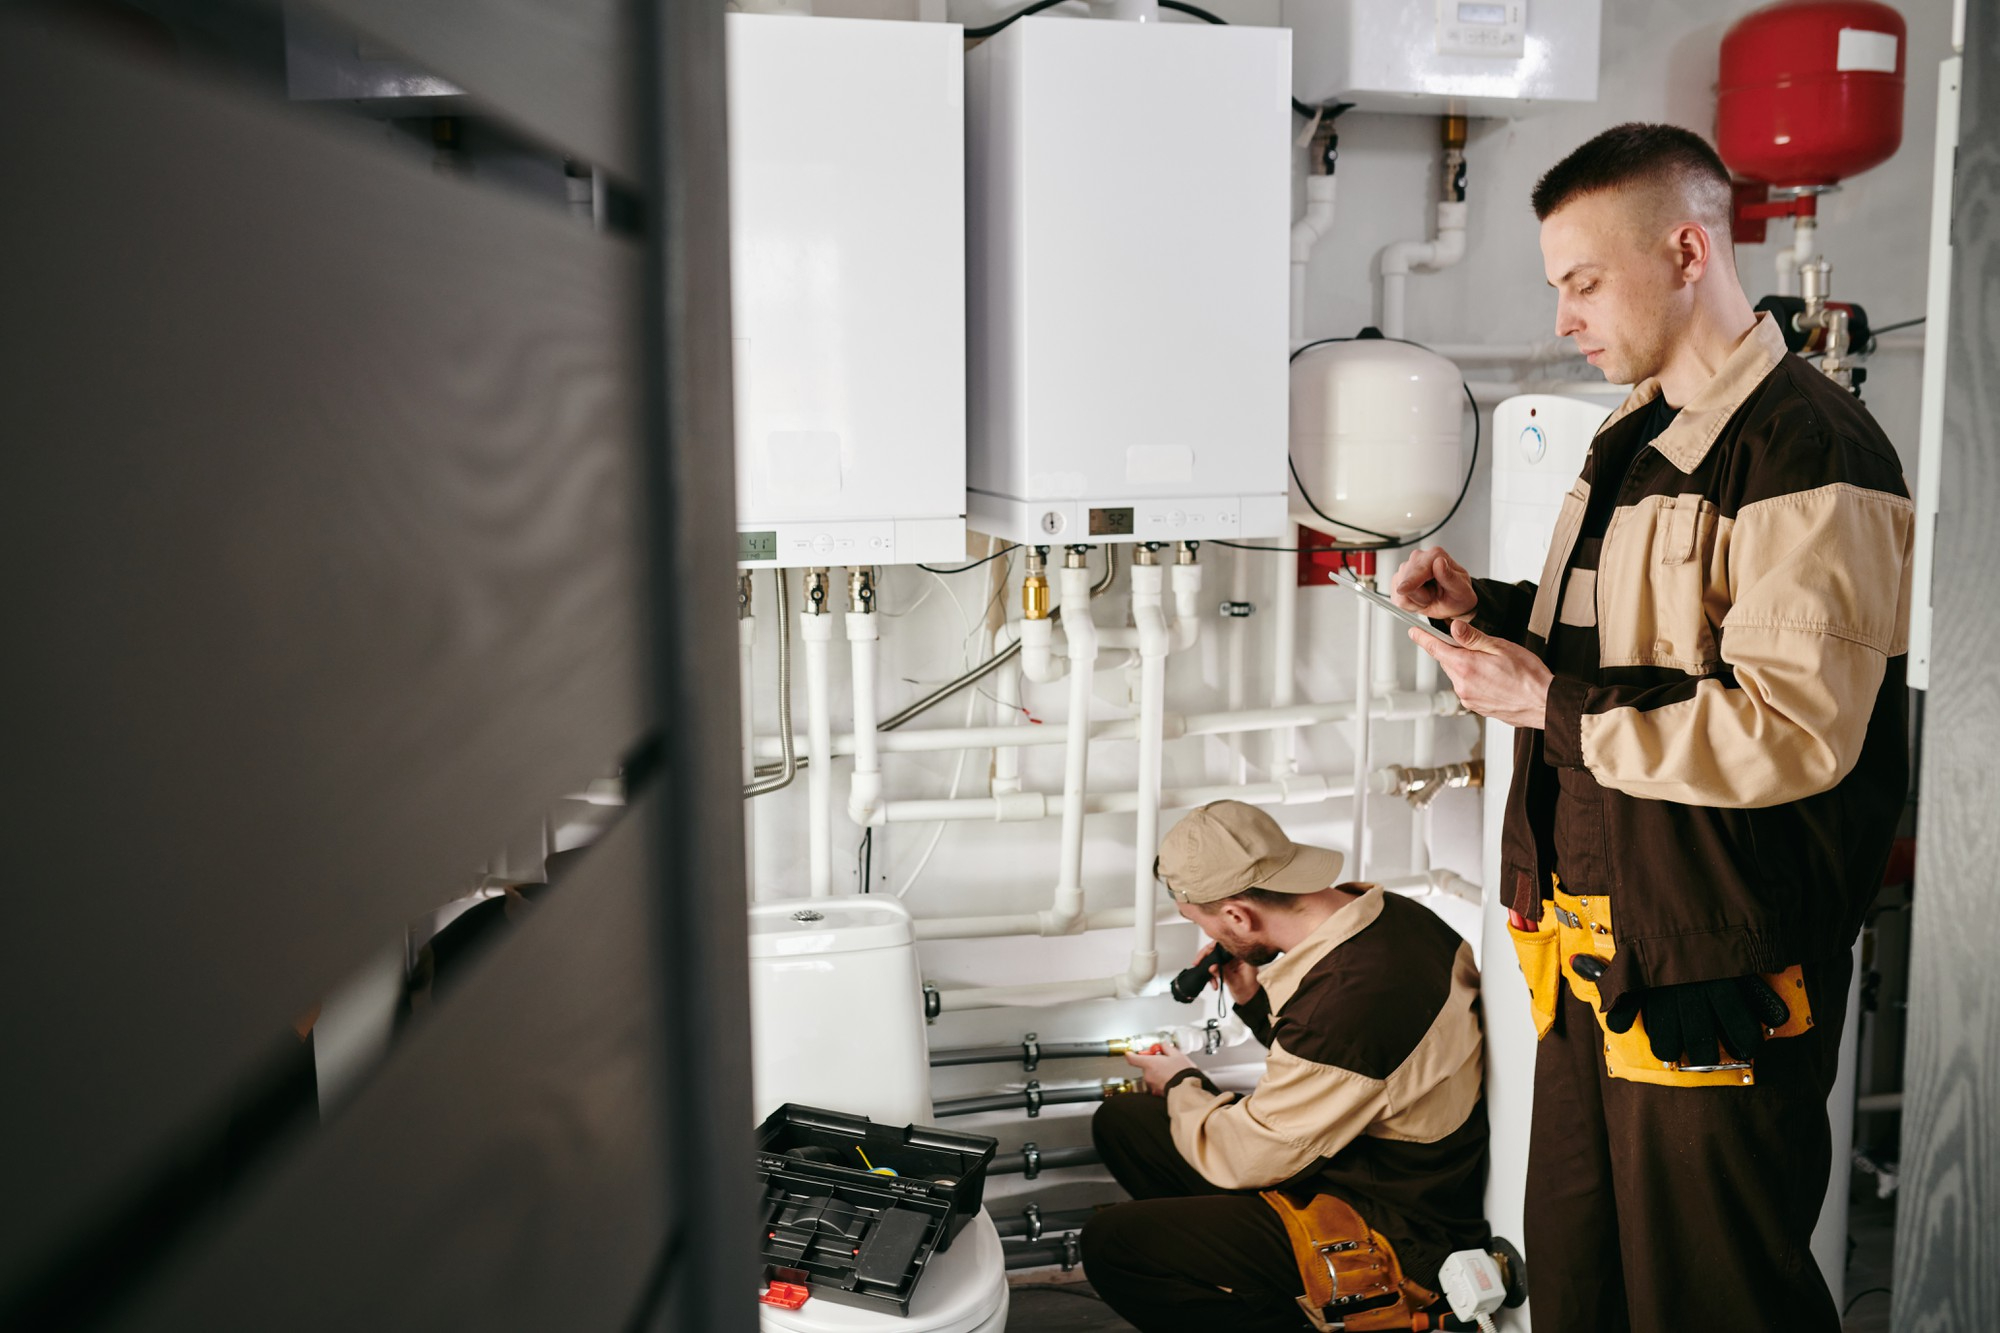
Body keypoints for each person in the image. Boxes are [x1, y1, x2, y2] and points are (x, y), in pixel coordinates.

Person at [1389, 123, 1912, 1333]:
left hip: (1711, 961)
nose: (1563, 316)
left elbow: (1787, 731)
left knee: (1712, 1297)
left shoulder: (1805, 449)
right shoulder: (1627, 438)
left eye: (1581, 281)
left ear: (1684, 249)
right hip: (1591, 955)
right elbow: (1626, 647)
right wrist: (1493, 610)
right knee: (1581, 1283)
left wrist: (1543, 705)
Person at [1080, 800, 1489, 1332]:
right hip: (1358, 1153)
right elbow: (1352, 1065)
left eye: (1201, 921)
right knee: (1126, 1124)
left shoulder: (1344, 1006)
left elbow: (1246, 1157)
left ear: (1236, 915)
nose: (1213, 940)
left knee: (1115, 1245)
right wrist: (1252, 998)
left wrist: (1180, 1080)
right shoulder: (1391, 916)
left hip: (1394, 1217)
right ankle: (1253, 1282)